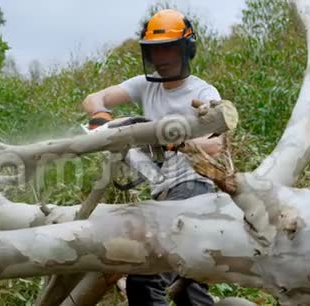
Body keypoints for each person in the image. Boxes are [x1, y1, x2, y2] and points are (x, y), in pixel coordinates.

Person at [81, 8, 224, 306]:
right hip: (164, 191)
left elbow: (217, 144)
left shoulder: (203, 91)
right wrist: (99, 114)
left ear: (187, 49)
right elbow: (95, 97)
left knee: (145, 278)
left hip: (193, 189)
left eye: (169, 48)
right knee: (189, 285)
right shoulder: (145, 85)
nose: (163, 57)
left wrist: (176, 143)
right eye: (156, 50)